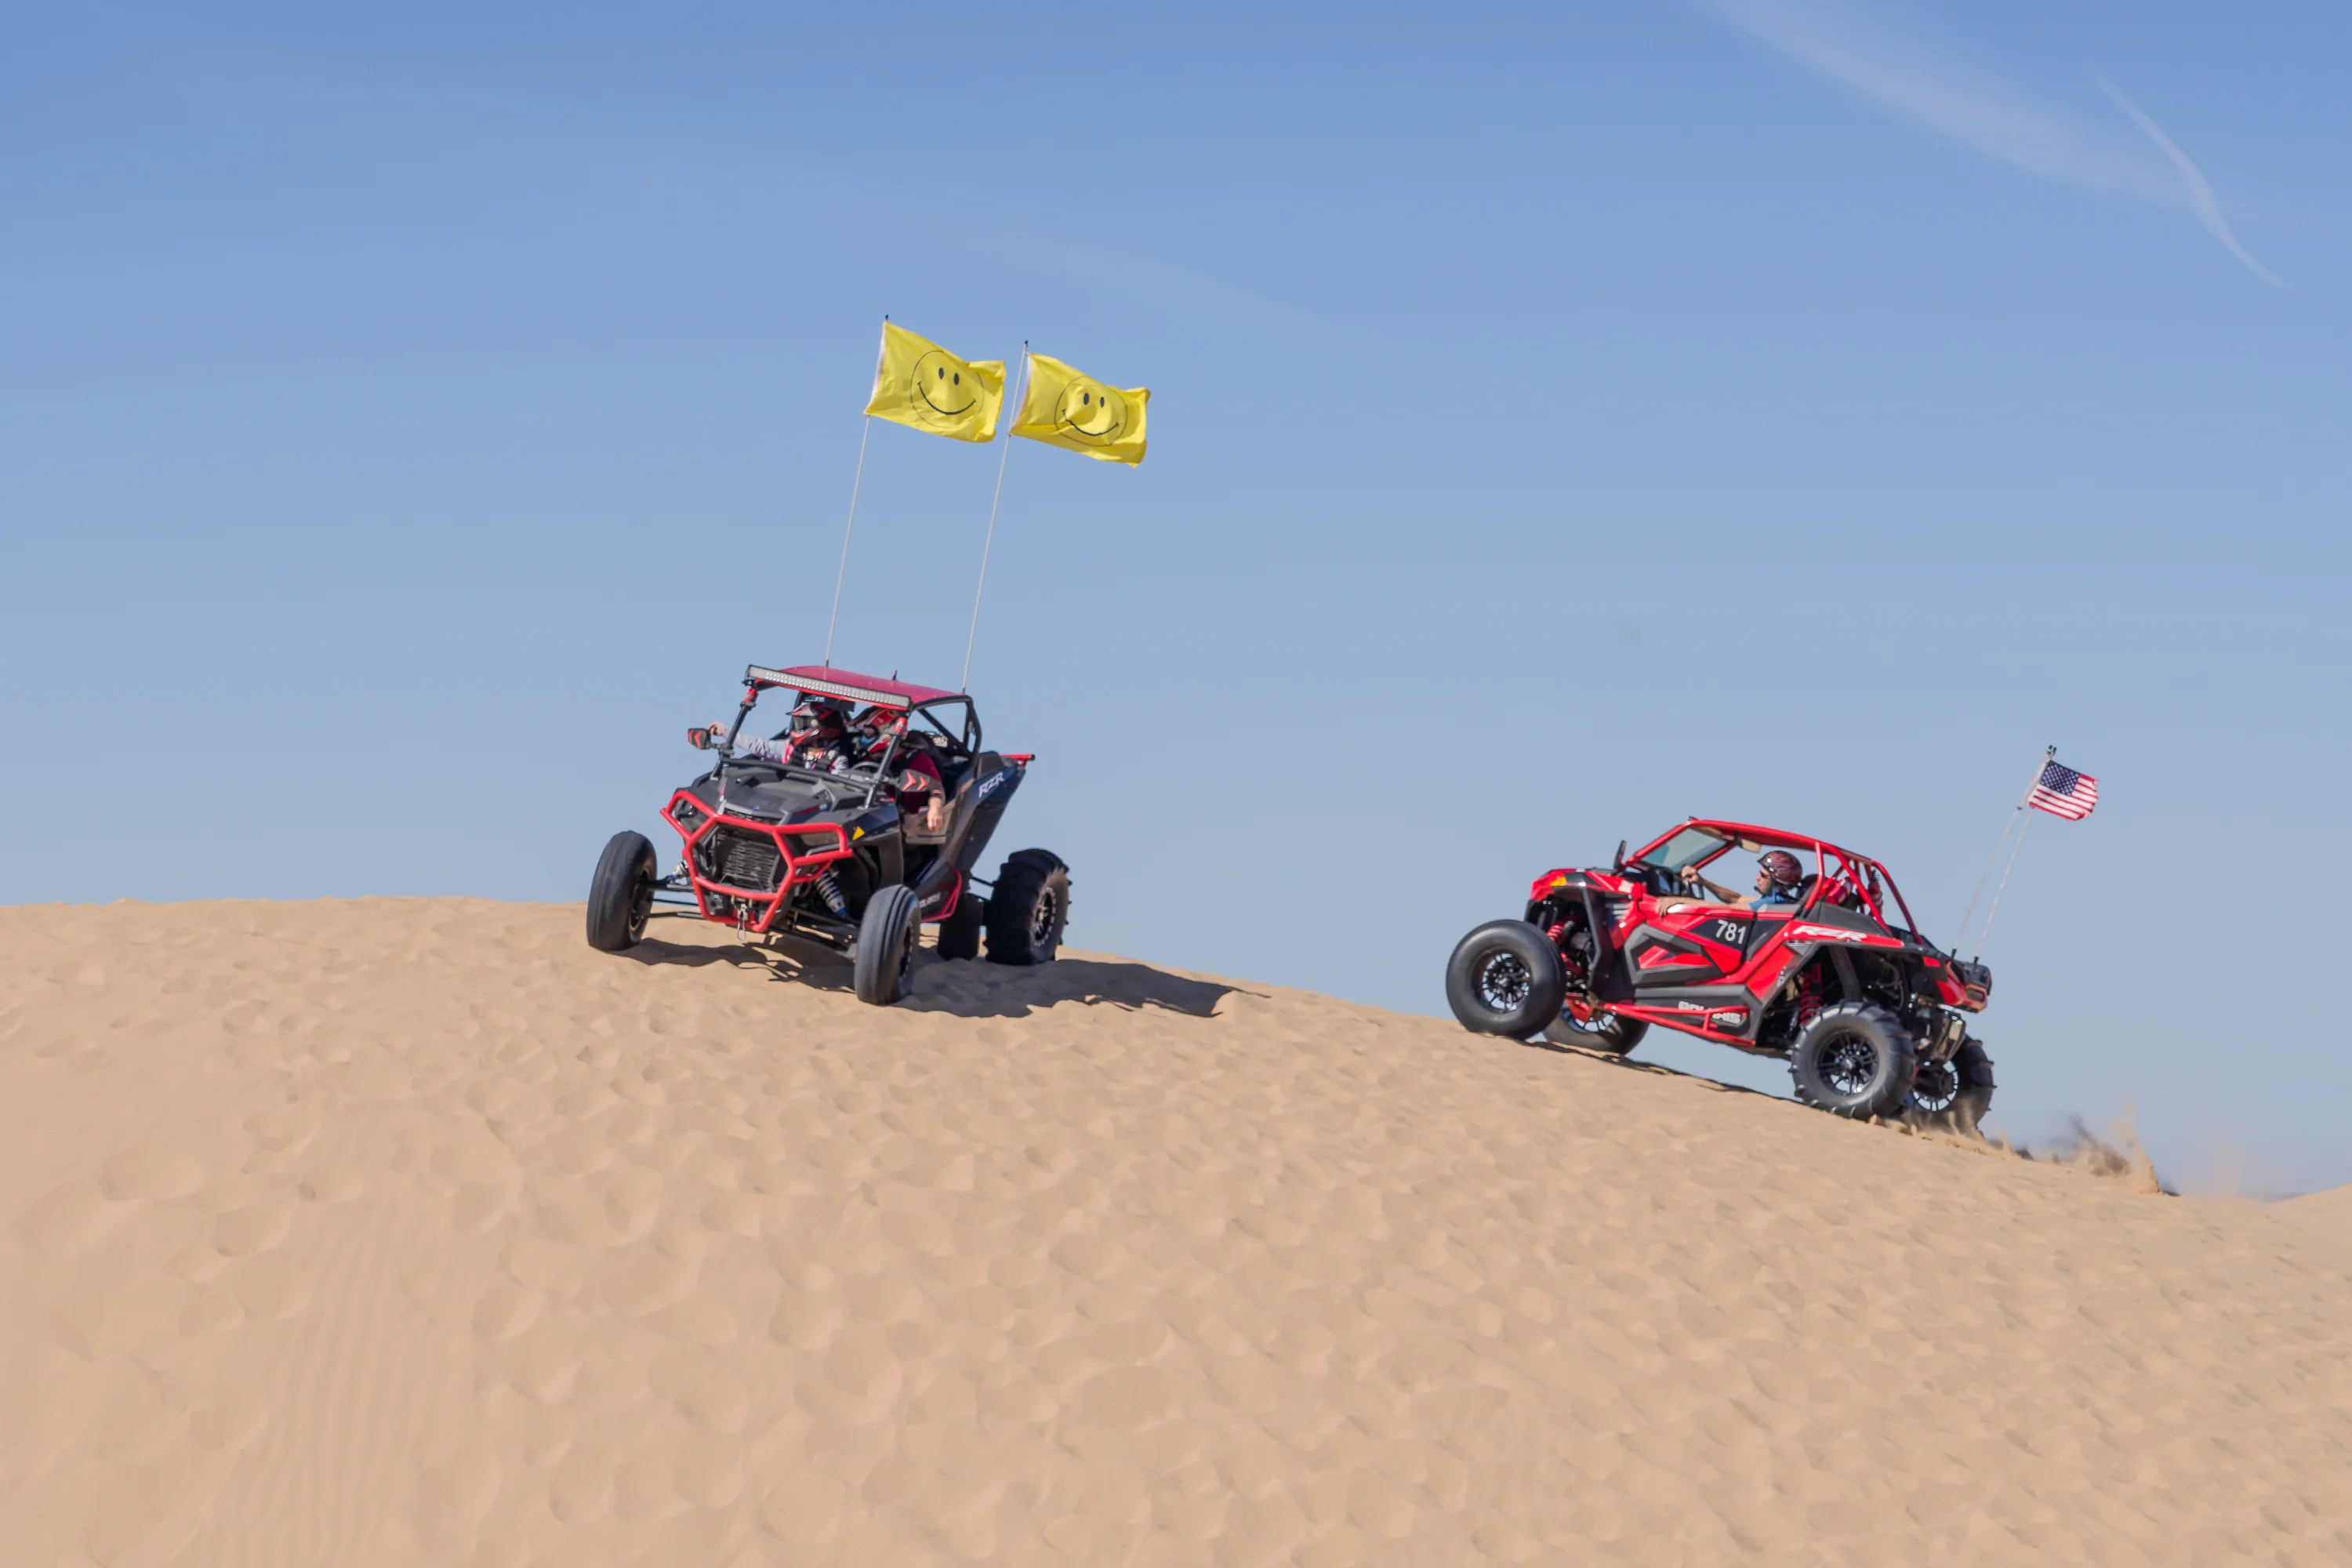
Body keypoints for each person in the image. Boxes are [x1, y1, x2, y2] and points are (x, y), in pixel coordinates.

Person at [1677, 849, 1803, 909]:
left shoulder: (1771, 904)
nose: (1757, 878)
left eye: (1763, 876)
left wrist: (1678, 901)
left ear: (1778, 881)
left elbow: (1723, 909)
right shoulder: (1780, 901)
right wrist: (1703, 882)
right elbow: (1736, 899)